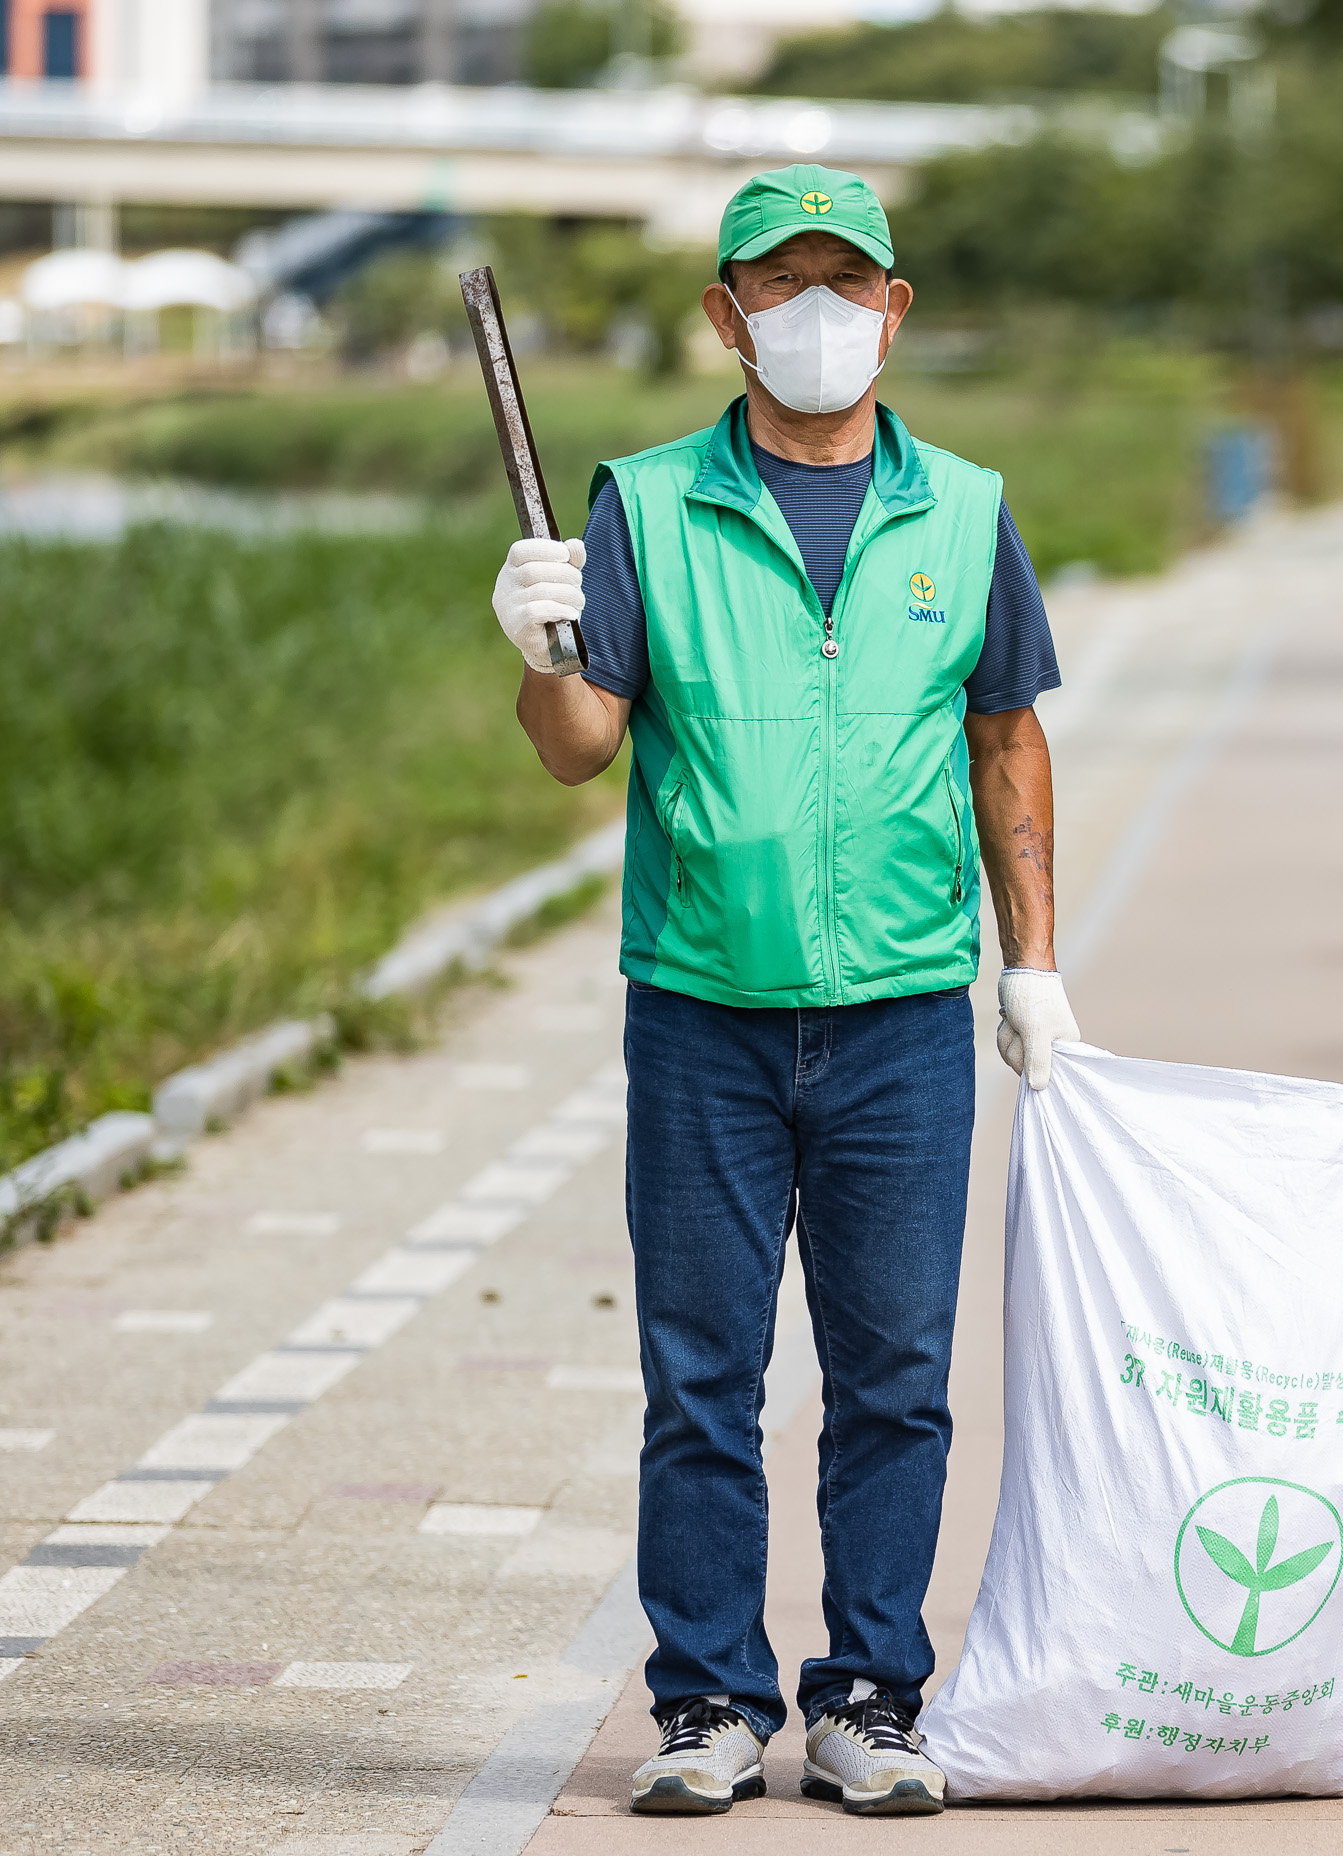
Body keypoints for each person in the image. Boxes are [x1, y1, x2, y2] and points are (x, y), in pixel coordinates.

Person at [488, 164, 1081, 1819]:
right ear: (723, 315)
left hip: (900, 1012)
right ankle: (705, 1704)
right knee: (702, 1375)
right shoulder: (647, 505)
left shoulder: (960, 509)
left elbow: (1004, 733)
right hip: (700, 1009)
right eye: (779, 284)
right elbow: (580, 748)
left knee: (893, 1371)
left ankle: (870, 1696)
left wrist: (1032, 961)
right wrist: (537, 650)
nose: (814, 314)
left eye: (845, 283)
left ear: (894, 307)